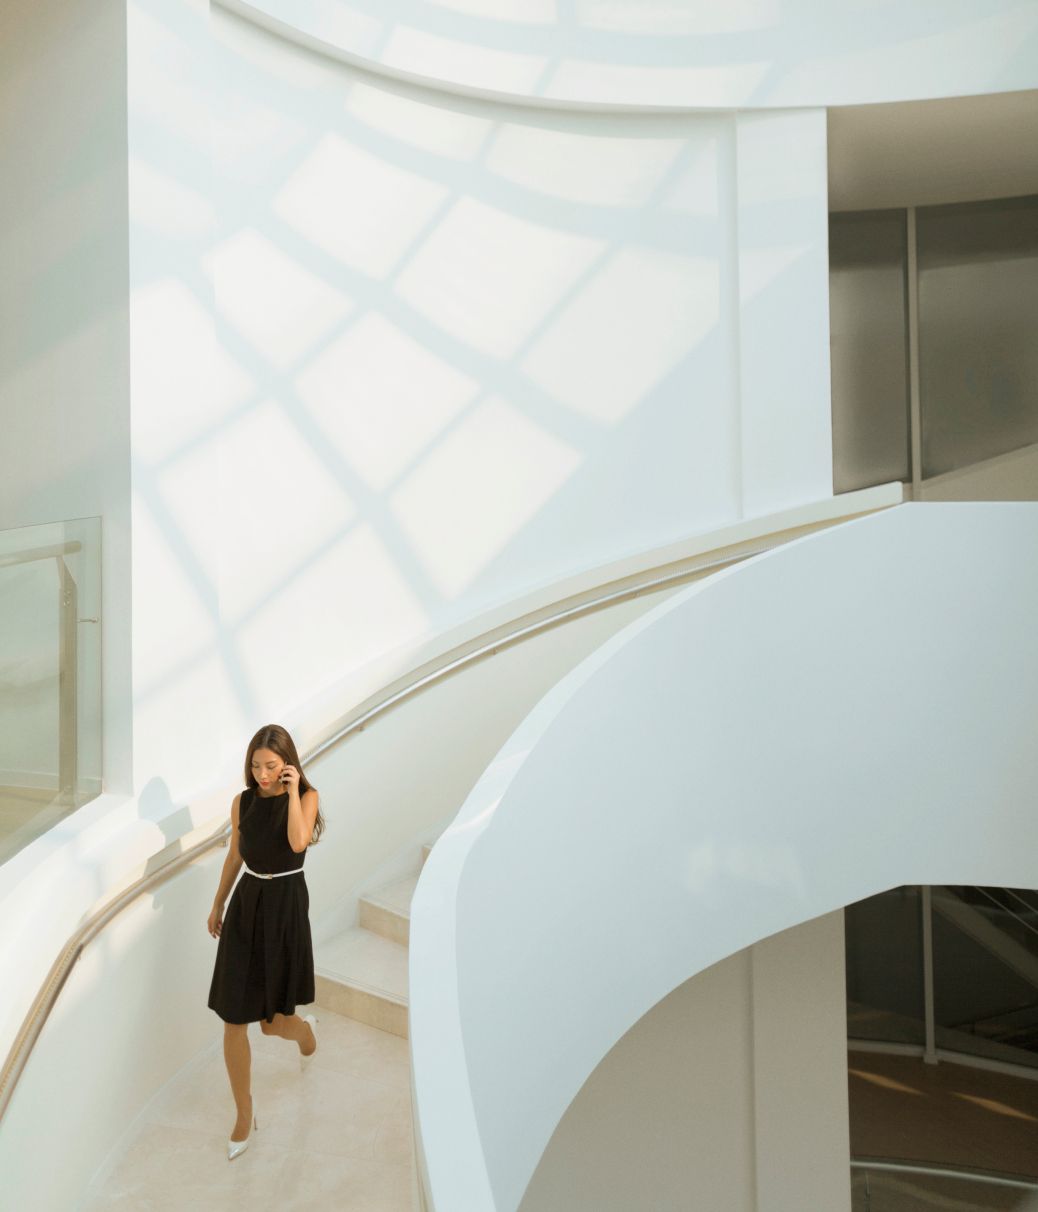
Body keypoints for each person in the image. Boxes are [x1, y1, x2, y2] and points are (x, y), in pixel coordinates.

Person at [206, 724, 326, 1160]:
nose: (262, 774)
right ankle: (244, 1113)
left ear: (288, 764)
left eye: (271, 766)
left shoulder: (307, 799)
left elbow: (297, 841)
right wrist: (218, 902)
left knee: (273, 1023)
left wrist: (293, 793)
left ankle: (306, 1033)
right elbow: (235, 855)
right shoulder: (243, 802)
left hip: (285, 907)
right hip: (247, 904)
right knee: (233, 1018)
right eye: (256, 766)